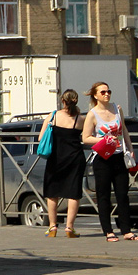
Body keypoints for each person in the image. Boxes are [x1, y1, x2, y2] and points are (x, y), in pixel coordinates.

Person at [82, 80, 138, 242]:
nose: (106, 94)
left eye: (108, 91)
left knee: (122, 194)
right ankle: (108, 231)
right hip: (102, 158)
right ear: (95, 96)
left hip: (119, 156)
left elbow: (124, 130)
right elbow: (86, 138)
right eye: (103, 92)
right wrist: (103, 139)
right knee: (104, 195)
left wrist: (130, 148)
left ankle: (126, 230)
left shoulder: (116, 109)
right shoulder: (92, 114)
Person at [38, 89, 85, 237]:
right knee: (73, 193)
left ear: (62, 101)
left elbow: (41, 138)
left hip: (55, 159)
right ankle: (69, 228)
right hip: (75, 159)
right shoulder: (80, 119)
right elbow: (88, 136)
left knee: (52, 192)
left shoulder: (54, 116)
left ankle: (52, 227)